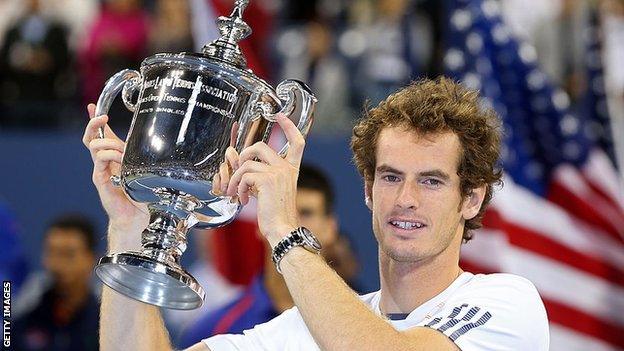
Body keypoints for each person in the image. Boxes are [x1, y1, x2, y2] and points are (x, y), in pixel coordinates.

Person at [83, 77, 549, 350]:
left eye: (431, 180)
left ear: (471, 199)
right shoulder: (305, 328)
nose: (405, 198)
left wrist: (285, 229)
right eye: (390, 177)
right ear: (368, 189)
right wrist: (128, 227)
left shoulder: (507, 303)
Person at [178, 164, 359, 348]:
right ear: (261, 223)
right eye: (282, 212)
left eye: (306, 213)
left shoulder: (364, 322)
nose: (291, 224)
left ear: (330, 228)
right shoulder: (211, 330)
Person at [13, 215, 100, 351]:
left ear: (91, 259)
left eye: (68, 254)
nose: (57, 264)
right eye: (51, 252)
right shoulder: (23, 316)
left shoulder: (105, 324)